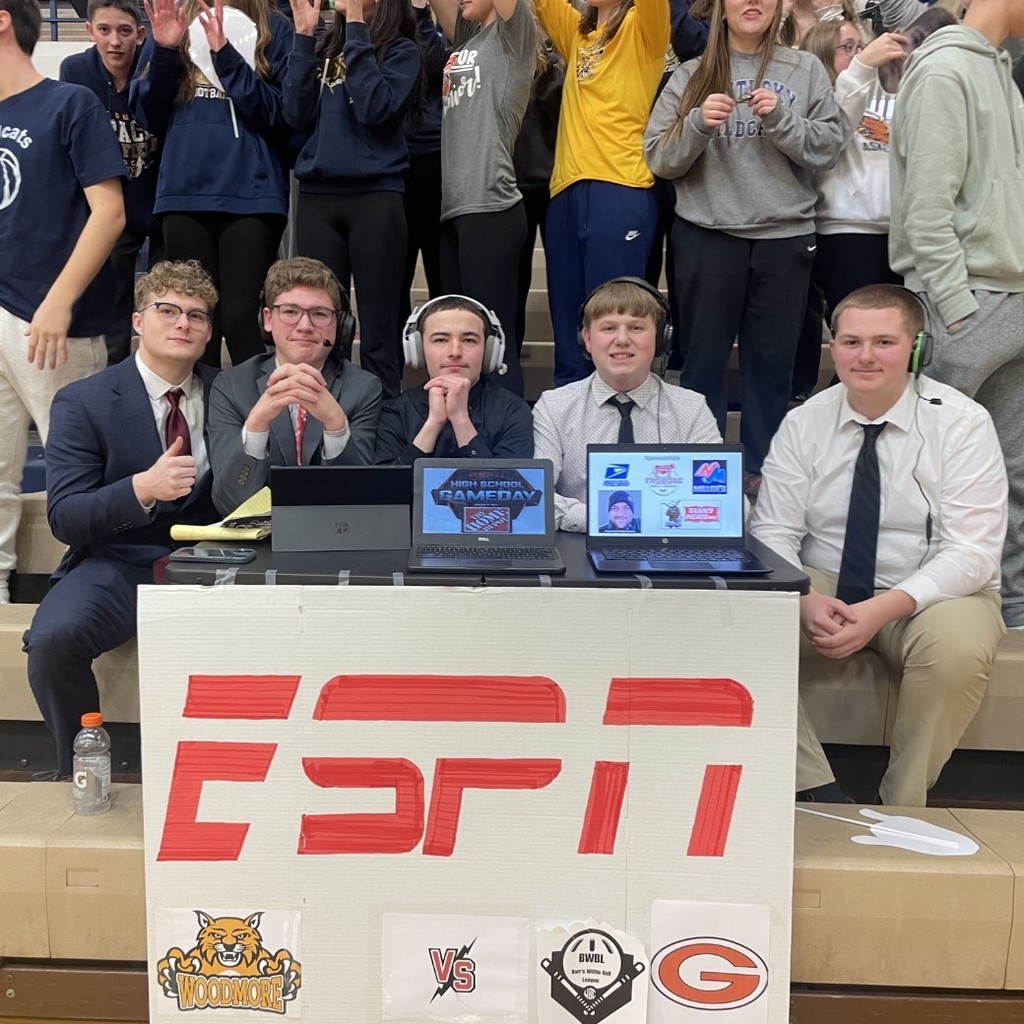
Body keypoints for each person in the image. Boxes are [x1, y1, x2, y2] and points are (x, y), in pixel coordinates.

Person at [750, 285, 1008, 806]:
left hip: (930, 591)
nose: (865, 356)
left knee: (958, 649)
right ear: (834, 347)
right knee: (734, 622)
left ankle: (902, 805)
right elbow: (773, 531)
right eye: (851, 342)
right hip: (824, 582)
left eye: (884, 342)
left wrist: (879, 610)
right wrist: (803, 598)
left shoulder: (962, 423)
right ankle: (816, 790)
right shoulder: (804, 422)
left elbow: (973, 553)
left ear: (917, 349)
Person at [23, 261, 221, 778]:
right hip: (121, 560)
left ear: (208, 331)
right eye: (168, 310)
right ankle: (82, 769)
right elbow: (66, 515)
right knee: (53, 641)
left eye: (196, 315)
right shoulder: (84, 401)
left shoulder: (231, 393)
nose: (183, 323)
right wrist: (140, 489)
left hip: (218, 563)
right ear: (138, 321)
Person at [644, 0, 841, 498]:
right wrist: (696, 125)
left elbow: (828, 148)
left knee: (772, 368)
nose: (751, 2)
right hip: (707, 236)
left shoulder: (805, 68)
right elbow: (658, 158)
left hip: (784, 237)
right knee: (702, 365)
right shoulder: (690, 74)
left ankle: (762, 477)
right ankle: (702, 478)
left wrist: (783, 121)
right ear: (720, 7)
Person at [889, 0, 1024, 629]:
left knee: (1013, 471)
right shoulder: (945, 70)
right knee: (934, 474)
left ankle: (1013, 607)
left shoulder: (999, 68)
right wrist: (957, 307)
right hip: (965, 299)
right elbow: (926, 209)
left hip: (1010, 295)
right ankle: (920, 614)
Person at [0, 0, 126, 606]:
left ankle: (89, 601)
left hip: (52, 324)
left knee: (79, 474)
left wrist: (58, 300)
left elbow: (110, 212)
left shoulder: (69, 103)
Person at [134, 0, 294, 367]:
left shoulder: (275, 27)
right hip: (184, 194)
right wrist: (164, 51)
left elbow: (283, 117)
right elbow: (148, 114)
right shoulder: (175, 20)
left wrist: (226, 57)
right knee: (193, 317)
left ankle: (253, 404)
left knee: (240, 319)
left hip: (252, 195)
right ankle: (198, 404)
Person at [282, 0, 424, 400]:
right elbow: (294, 114)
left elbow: (375, 108)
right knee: (323, 321)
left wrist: (358, 25)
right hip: (318, 197)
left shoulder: (401, 51)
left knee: (379, 324)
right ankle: (324, 414)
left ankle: (385, 417)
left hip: (375, 196)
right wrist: (303, 37)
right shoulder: (326, 48)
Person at [534, 0, 670, 388]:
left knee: (614, 320)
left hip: (620, 187)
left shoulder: (644, 25)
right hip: (565, 191)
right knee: (568, 324)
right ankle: (567, 412)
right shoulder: (579, 33)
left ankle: (617, 415)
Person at [533, 277, 720, 532]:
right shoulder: (554, 407)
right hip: (578, 544)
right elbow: (537, 496)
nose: (622, 339)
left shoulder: (691, 408)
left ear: (661, 339)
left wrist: (628, 521)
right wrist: (612, 521)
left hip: (669, 545)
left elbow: (726, 501)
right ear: (587, 339)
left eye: (636, 328)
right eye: (609, 328)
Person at [208, 257, 384, 515]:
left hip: (333, 532)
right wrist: (256, 425)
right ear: (267, 319)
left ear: (339, 325)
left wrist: (335, 424)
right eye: (290, 312)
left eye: (319, 314)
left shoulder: (363, 388)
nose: (305, 326)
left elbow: (358, 501)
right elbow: (229, 503)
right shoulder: (232, 386)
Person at [424, 0, 537, 397]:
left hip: (491, 207)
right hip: (454, 211)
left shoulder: (515, 34)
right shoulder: (470, 36)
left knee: (493, 341)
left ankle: (508, 431)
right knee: (461, 343)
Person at [790, 22, 905, 399]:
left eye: (861, 45)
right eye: (847, 47)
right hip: (846, 231)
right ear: (823, 54)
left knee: (893, 340)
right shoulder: (816, 99)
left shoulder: (883, 93)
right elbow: (829, 143)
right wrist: (862, 68)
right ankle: (838, 407)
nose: (858, 54)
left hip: (897, 231)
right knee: (860, 337)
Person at [60, 0, 162, 366]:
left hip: (160, 198)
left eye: (124, 31)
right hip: (112, 202)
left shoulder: (158, 66)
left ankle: (163, 371)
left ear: (141, 35)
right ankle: (116, 379)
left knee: (166, 295)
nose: (114, 41)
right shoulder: (75, 70)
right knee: (115, 296)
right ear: (90, 31)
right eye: (104, 30)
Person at [374, 295, 533, 463]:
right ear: (418, 350)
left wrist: (460, 420)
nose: (455, 352)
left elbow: (507, 479)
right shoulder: (396, 412)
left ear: (489, 351)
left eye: (469, 340)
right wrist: (433, 424)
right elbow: (388, 480)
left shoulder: (513, 411)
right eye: (441, 340)